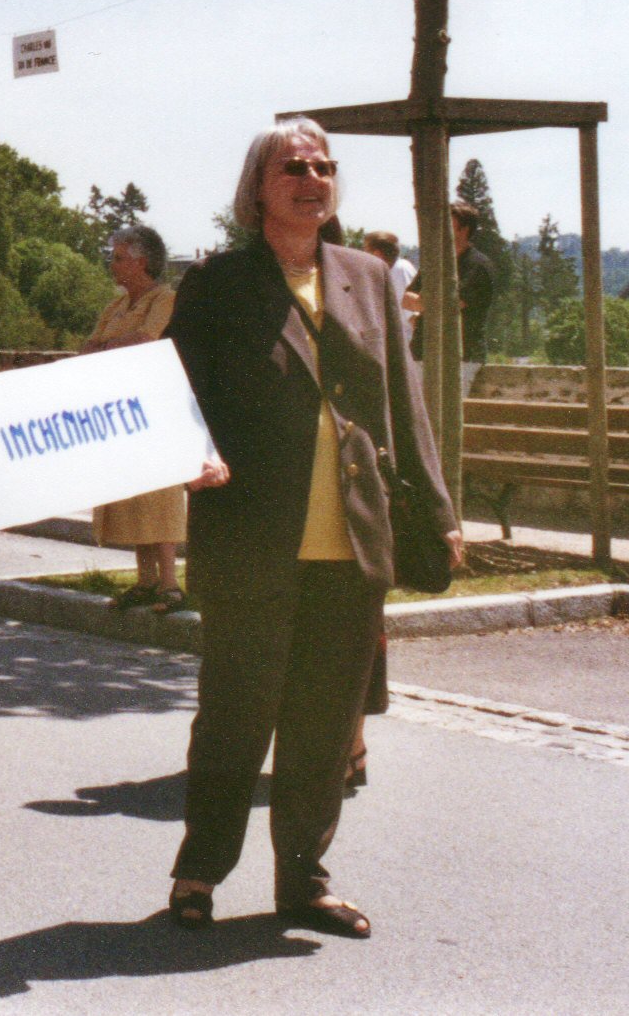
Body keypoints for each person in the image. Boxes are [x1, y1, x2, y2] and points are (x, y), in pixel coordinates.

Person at [163, 117, 463, 938]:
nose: (312, 179)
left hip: (351, 540)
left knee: (325, 725)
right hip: (250, 538)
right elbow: (171, 391)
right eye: (293, 167)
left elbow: (403, 401)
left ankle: (303, 879)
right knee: (234, 716)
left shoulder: (367, 275)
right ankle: (198, 870)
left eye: (323, 166)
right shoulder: (218, 282)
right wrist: (188, 455)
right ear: (257, 188)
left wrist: (438, 510)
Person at [82, 224, 189, 612]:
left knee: (159, 496)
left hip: (155, 408)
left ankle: (170, 585)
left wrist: (106, 347)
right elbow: (87, 348)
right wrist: (111, 348)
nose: (112, 265)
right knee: (133, 496)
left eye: (119, 258)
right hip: (120, 410)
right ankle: (145, 581)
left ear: (141, 262)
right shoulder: (115, 306)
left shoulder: (165, 298)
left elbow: (147, 339)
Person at [403, 202, 498, 394]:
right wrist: (426, 303)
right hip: (422, 352)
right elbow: (406, 298)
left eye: (445, 223)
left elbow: (451, 305)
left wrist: (422, 303)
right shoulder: (435, 262)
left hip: (460, 357)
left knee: (450, 412)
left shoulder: (478, 266)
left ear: (464, 230)